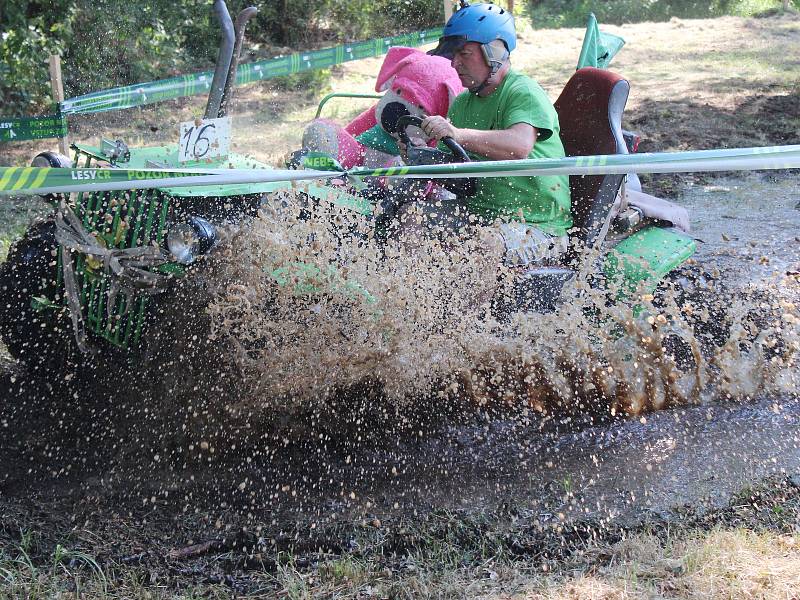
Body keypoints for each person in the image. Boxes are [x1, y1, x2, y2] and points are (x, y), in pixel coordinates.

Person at [400, 2, 572, 268]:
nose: (455, 63)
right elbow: (454, 169)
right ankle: (409, 301)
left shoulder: (523, 91)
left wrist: (458, 134)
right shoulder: (462, 103)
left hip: (538, 225)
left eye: (464, 54)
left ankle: (465, 312)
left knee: (483, 245)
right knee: (412, 217)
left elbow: (519, 146)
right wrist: (420, 155)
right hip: (480, 215)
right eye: (453, 55)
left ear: (495, 51)